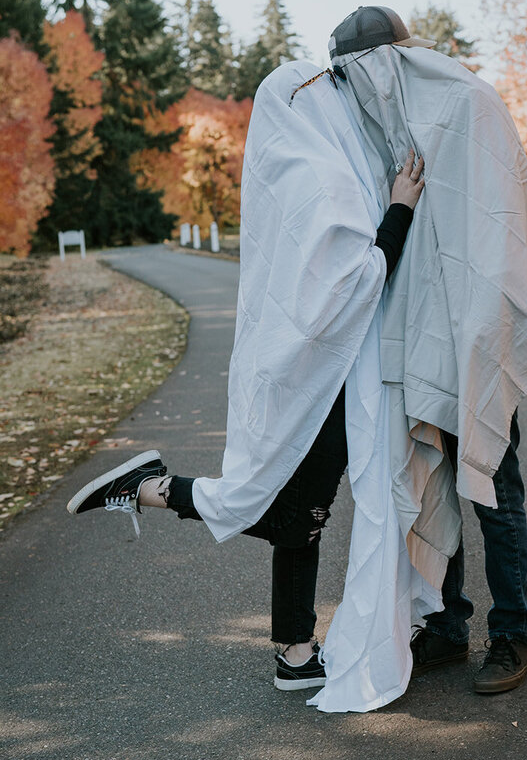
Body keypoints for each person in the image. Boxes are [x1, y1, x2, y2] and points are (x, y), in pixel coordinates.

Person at [67, 61, 426, 695]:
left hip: (295, 359)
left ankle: (293, 653)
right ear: (308, 104)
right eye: (331, 92)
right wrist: (399, 208)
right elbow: (358, 276)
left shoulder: (286, 167)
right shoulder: (319, 176)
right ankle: (156, 489)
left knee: (297, 509)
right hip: (323, 367)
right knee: (297, 509)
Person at [328, 6, 527, 694]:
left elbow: (498, 217)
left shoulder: (469, 104)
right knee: (427, 469)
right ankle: (446, 625)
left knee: (493, 481)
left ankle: (513, 635)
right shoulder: (370, 126)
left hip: (473, 324)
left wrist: (484, 328)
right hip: (414, 325)